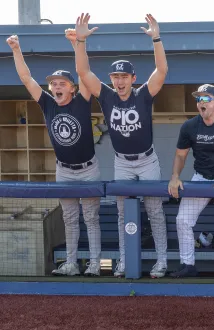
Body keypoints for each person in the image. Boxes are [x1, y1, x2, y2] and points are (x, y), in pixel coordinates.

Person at [72, 13, 169, 278]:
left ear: (133, 78)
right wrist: (80, 41)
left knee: (154, 211)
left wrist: (156, 39)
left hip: (147, 160)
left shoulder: (143, 95)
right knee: (121, 212)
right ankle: (125, 261)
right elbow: (83, 72)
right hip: (122, 162)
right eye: (115, 76)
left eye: (124, 76)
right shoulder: (106, 95)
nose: (119, 81)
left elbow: (161, 72)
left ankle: (161, 261)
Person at [7, 32, 102, 276]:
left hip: (88, 168)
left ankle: (94, 265)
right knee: (69, 219)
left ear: (72, 88)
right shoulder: (48, 103)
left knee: (91, 218)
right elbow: (26, 78)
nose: (57, 86)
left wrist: (77, 44)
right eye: (54, 84)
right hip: (64, 170)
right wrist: (16, 49)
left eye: (62, 83)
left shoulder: (81, 100)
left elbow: (84, 72)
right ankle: (71, 264)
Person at [167, 84, 214, 279]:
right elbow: (180, 156)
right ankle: (188, 264)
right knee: (182, 220)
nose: (201, 102)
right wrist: (175, 177)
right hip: (200, 177)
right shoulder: (190, 126)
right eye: (198, 99)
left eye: (206, 99)